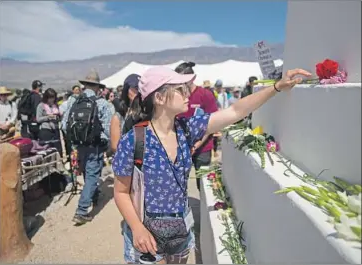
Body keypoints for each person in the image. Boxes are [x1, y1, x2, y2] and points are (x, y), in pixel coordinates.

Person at [112, 66, 311, 264]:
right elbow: (121, 192)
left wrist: (276, 87)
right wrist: (137, 228)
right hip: (147, 233)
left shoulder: (186, 129)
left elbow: (235, 111)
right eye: (180, 89)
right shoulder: (133, 140)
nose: (188, 92)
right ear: (160, 98)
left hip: (180, 231)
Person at [62, 70, 114, 225]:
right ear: (98, 87)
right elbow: (107, 129)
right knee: (92, 175)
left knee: (86, 172)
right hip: (95, 146)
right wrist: (105, 143)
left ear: (84, 85)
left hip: (78, 145)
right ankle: (81, 211)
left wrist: (75, 141)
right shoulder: (103, 104)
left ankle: (94, 194)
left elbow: (64, 125)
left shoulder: (73, 102)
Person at [175, 62, 218, 191]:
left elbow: (212, 122)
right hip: (181, 146)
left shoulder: (205, 95)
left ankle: (204, 210)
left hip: (203, 147)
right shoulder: (177, 96)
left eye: (183, 80)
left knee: (204, 185)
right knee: (179, 183)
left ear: (192, 78)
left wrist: (198, 144)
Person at [110, 74, 140, 152]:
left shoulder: (147, 111)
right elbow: (115, 146)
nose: (139, 91)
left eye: (142, 88)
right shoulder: (119, 116)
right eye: (136, 88)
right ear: (127, 90)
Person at [36, 88, 62, 154]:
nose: (52, 100)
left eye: (53, 98)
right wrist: (48, 117)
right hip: (46, 130)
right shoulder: (41, 106)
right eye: (50, 98)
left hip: (55, 130)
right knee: (47, 149)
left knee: (58, 149)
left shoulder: (55, 105)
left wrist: (58, 117)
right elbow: (38, 119)